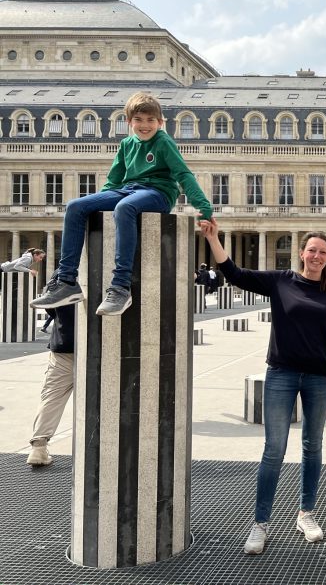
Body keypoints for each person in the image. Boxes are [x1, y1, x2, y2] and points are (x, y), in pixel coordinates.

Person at [199, 218, 326, 555]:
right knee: (273, 450)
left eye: (322, 252)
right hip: (282, 374)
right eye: (312, 250)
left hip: (319, 376)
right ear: (302, 253)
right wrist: (215, 240)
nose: (316, 256)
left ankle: (306, 513)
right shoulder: (281, 281)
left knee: (312, 446)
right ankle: (260, 523)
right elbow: (235, 274)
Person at [30, 92, 213, 316]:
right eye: (138, 120)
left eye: (150, 120)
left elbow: (183, 175)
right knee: (75, 206)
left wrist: (204, 208)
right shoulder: (126, 144)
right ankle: (67, 281)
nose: (145, 125)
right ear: (129, 122)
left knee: (124, 208)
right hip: (127, 190)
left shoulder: (164, 141)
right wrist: (97, 205)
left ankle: (120, 287)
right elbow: (113, 182)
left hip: (158, 193)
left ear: (160, 122)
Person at [27, 271, 75, 467]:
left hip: (64, 344)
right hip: (100, 346)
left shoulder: (63, 272)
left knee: (52, 396)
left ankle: (39, 446)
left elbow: (50, 302)